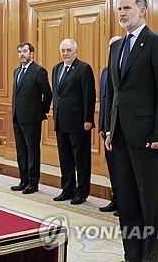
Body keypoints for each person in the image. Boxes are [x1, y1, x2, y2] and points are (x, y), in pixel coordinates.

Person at [105, 0, 158, 262]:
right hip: (121, 136)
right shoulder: (116, 47)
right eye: (119, 9)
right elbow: (114, 92)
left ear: (143, 11)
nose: (122, 13)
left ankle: (150, 257)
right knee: (126, 200)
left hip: (148, 137)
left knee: (150, 202)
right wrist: (110, 129)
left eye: (127, 8)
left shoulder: (157, 43)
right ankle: (131, 254)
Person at [52, 39, 96, 205]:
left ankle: (82, 192)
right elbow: (57, 95)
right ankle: (67, 189)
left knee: (81, 159)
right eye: (63, 50)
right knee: (65, 158)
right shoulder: (56, 69)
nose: (65, 53)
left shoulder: (83, 68)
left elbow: (88, 96)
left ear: (75, 51)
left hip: (78, 122)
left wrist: (88, 119)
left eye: (69, 50)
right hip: (61, 121)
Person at [11, 42, 52, 194]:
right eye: (20, 51)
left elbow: (48, 94)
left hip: (32, 119)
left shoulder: (39, 71)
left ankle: (33, 183)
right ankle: (23, 180)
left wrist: (41, 112)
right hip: (17, 117)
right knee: (21, 151)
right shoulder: (16, 72)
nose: (22, 54)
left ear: (32, 54)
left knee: (32, 152)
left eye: (25, 51)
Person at [98, 36, 121, 215]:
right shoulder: (105, 71)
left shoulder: (123, 70)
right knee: (113, 167)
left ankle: (125, 202)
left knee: (123, 170)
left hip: (121, 128)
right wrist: (102, 126)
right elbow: (104, 101)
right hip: (107, 128)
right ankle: (115, 198)